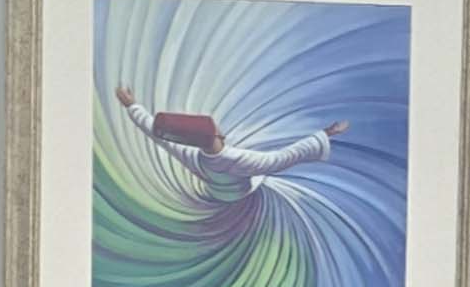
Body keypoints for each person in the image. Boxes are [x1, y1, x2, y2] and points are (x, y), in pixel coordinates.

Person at [114, 84, 348, 200]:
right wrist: (326, 133)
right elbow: (281, 158)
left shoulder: (192, 155)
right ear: (218, 135)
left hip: (216, 193)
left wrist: (131, 105)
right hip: (240, 195)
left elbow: (154, 133)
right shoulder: (240, 160)